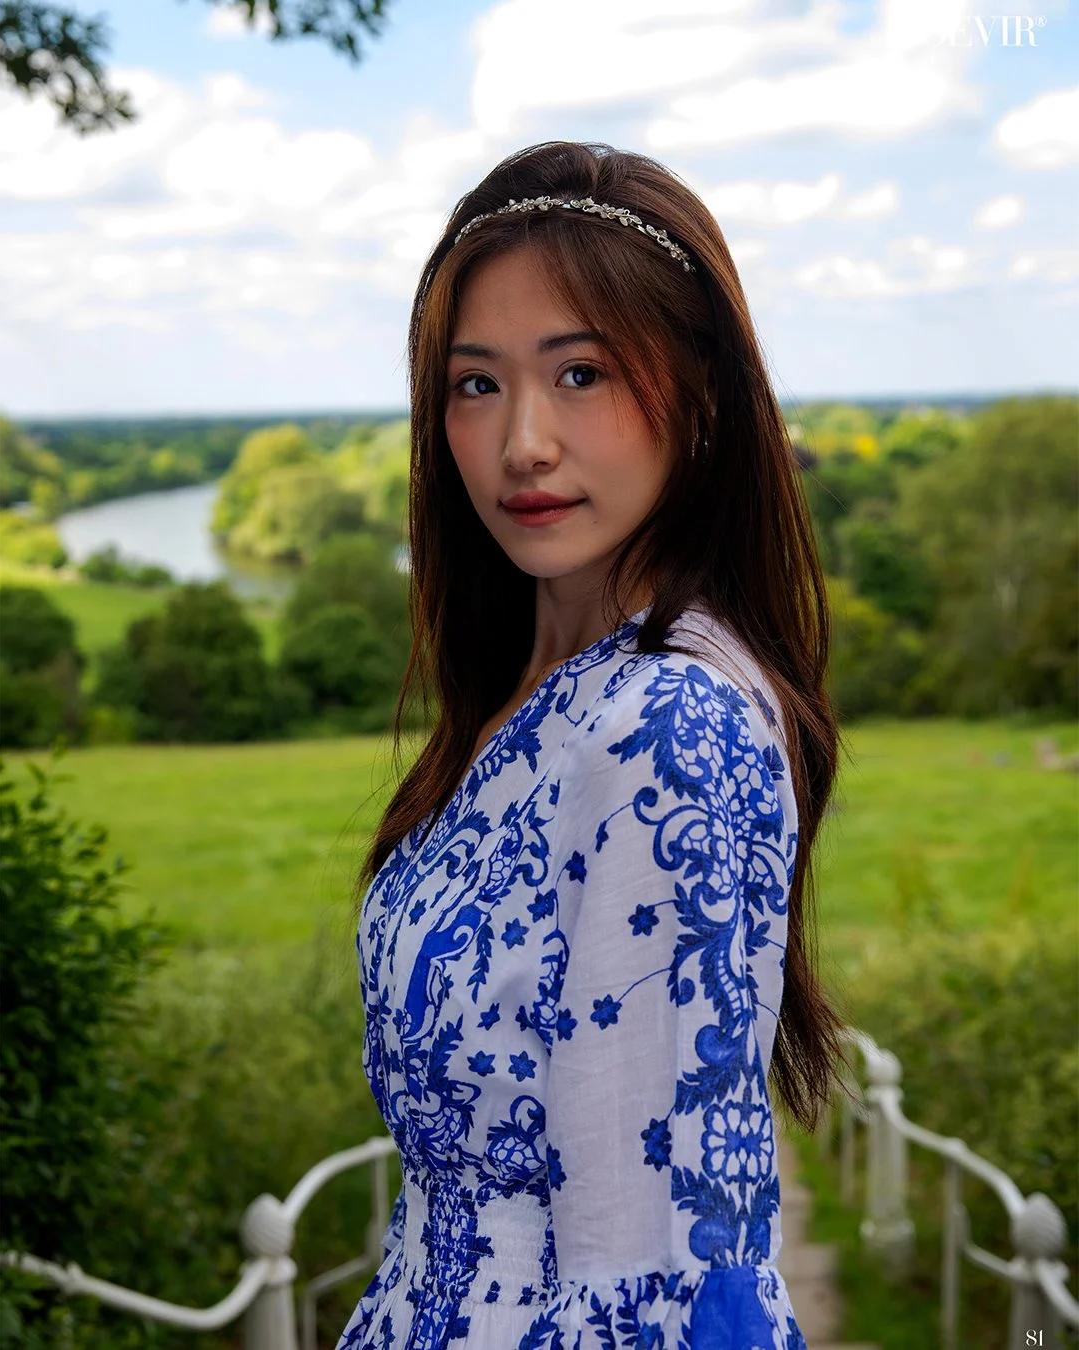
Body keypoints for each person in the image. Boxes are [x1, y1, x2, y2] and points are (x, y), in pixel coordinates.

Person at [337, 140, 848, 1350]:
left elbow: (659, 1274)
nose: (522, 443)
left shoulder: (669, 727)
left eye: (583, 374)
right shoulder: (529, 697)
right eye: (476, 385)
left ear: (705, 397)